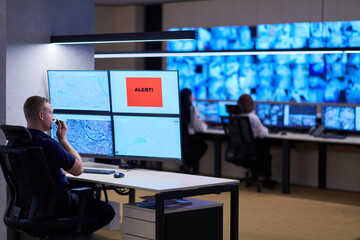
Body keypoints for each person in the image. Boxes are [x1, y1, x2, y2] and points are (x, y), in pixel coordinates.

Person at [22, 96, 115, 233]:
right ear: (41, 115)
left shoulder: (17, 141)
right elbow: (78, 169)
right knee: (106, 211)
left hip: (29, 208)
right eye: (51, 113)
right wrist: (63, 140)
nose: (54, 118)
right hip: (59, 208)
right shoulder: (49, 144)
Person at [237, 94, 277, 189]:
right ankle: (266, 178)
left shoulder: (236, 116)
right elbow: (264, 134)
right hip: (251, 150)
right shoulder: (253, 117)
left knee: (263, 148)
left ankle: (260, 175)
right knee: (265, 150)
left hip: (239, 149)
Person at [180, 88, 208, 174]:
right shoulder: (192, 109)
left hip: (180, 142)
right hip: (189, 141)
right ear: (189, 97)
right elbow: (199, 128)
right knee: (203, 146)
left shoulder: (179, 109)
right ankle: (187, 166)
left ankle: (186, 166)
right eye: (192, 95)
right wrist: (204, 125)